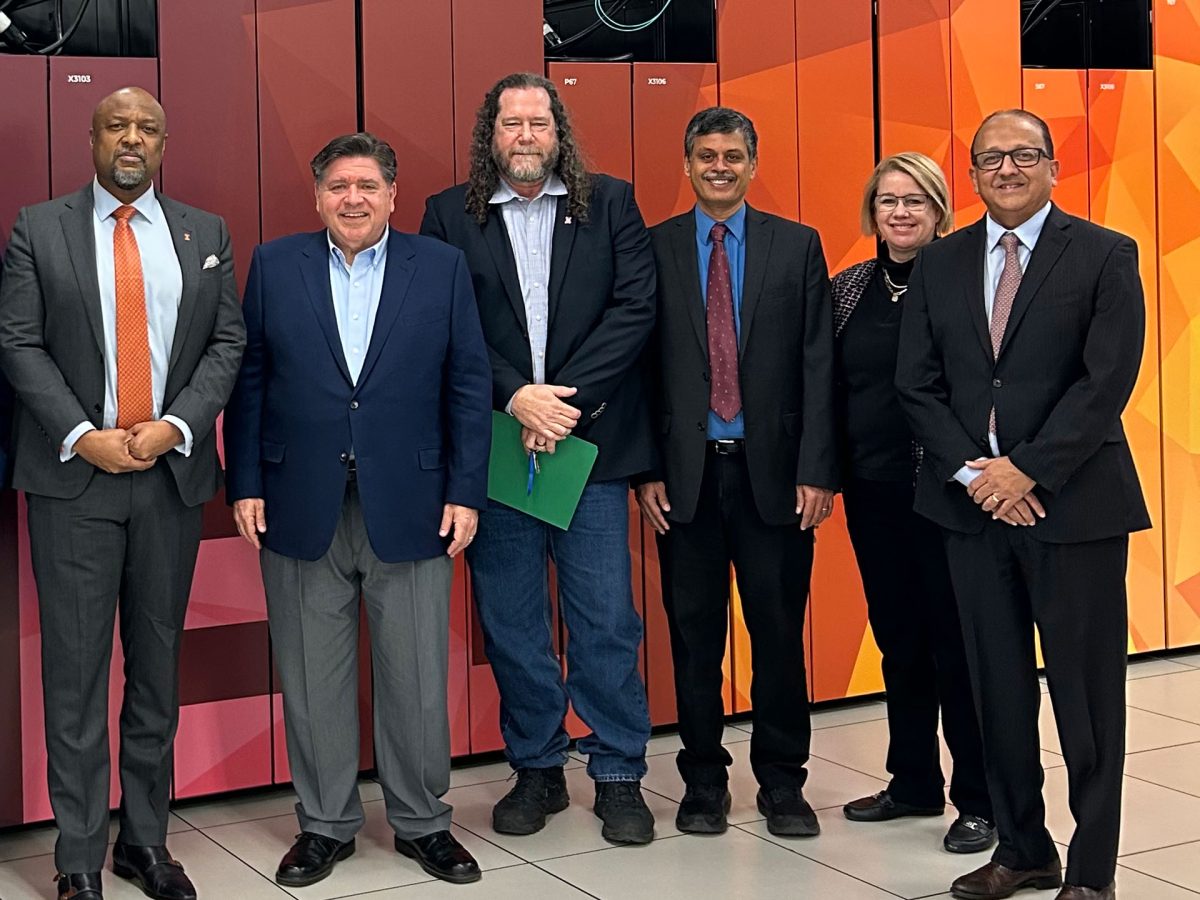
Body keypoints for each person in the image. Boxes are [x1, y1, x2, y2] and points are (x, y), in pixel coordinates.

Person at [223, 133, 492, 887]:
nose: (353, 198)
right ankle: (326, 825)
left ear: (393, 195)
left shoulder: (437, 268)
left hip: (413, 503)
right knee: (312, 679)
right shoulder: (276, 264)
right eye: (338, 185)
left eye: (367, 185)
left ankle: (422, 823)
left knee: (414, 677)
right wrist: (243, 481)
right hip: (296, 503)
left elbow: (468, 385)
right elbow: (250, 382)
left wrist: (466, 490)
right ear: (316, 198)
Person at [896, 109, 1149, 900]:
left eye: (1022, 155)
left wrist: (1027, 472)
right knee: (995, 688)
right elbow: (916, 382)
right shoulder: (940, 263)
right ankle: (1023, 848)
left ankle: (1093, 873)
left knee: (1085, 697)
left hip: (1075, 510)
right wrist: (979, 476)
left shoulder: (1105, 254)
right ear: (971, 174)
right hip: (972, 513)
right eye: (990, 158)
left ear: (1051, 166)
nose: (1006, 168)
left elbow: (1106, 381)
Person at [0, 86, 246, 900]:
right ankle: (76, 858)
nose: (131, 138)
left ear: (164, 142)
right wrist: (84, 434)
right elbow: (19, 342)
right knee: (74, 679)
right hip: (75, 483)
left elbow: (226, 342)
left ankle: (144, 843)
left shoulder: (204, 233)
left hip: (169, 482)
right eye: (117, 126)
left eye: (146, 127)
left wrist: (177, 425)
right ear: (93, 138)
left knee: (156, 671)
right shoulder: (39, 229)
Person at [420, 72, 658, 845]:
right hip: (497, 446)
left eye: (540, 124)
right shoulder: (446, 216)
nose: (527, 137)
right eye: (512, 124)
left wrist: (563, 403)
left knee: (604, 619)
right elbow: (441, 323)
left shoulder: (612, 203)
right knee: (514, 621)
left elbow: (635, 309)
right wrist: (516, 396)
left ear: (560, 134)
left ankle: (619, 772)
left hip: (585, 448)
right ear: (491, 134)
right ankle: (538, 767)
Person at [636, 106, 836, 837]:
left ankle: (784, 783)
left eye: (733, 155)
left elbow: (819, 362)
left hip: (775, 477)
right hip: (684, 480)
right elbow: (639, 369)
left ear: (754, 163)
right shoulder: (653, 248)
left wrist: (818, 469)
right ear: (686, 165)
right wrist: (645, 470)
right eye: (706, 156)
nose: (719, 166)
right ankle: (703, 782)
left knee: (779, 632)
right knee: (694, 638)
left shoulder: (797, 246)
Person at [832, 153, 995, 854]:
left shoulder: (967, 282)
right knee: (899, 642)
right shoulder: (848, 289)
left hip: (950, 494)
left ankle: (980, 800)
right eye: (888, 201)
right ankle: (914, 781)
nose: (900, 213)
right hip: (874, 492)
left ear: (940, 211)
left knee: (956, 648)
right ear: (873, 212)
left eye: (915, 202)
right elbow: (831, 389)